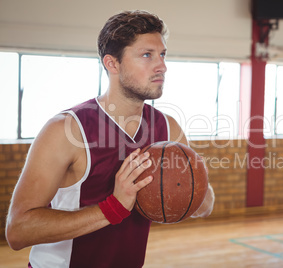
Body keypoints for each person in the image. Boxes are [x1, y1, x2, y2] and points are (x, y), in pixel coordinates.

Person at [6, 10, 215, 268]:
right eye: (146, 55)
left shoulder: (168, 128)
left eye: (162, 54)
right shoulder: (66, 130)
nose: (162, 65)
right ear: (112, 64)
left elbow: (205, 205)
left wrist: (186, 185)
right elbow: (18, 230)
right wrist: (113, 207)